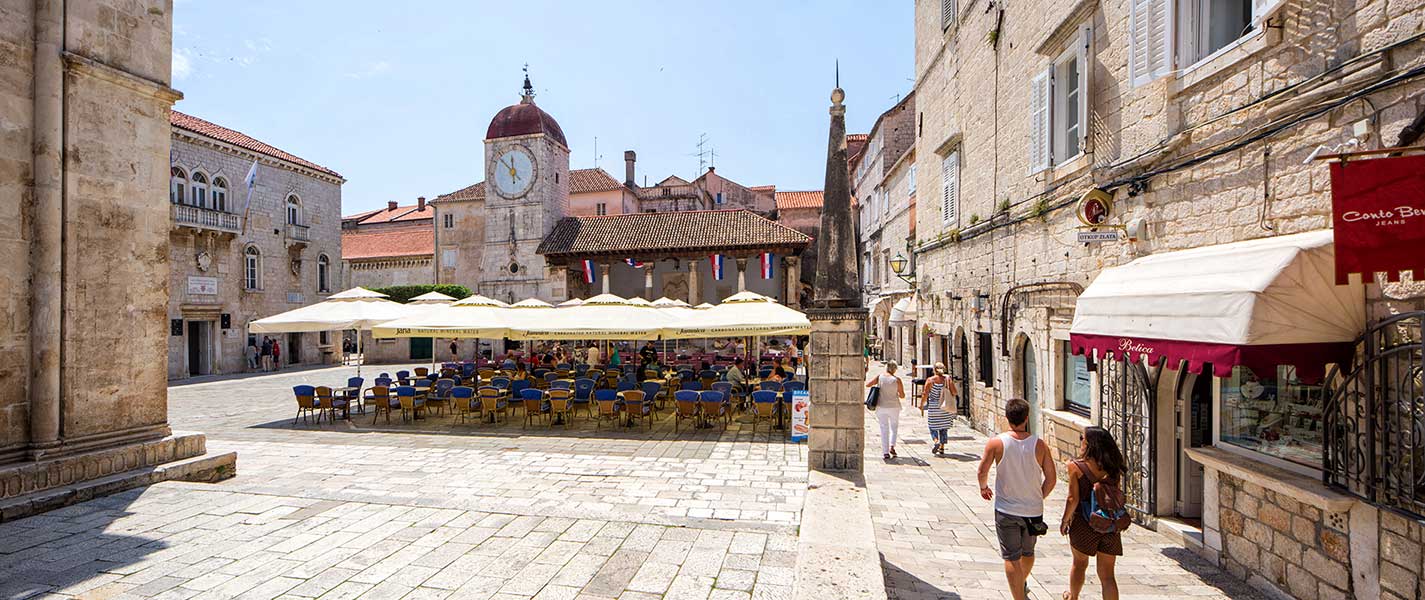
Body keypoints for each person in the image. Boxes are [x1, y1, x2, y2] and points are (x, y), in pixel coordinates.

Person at [976, 398, 1056, 600]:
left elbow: (982, 470)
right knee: (1027, 553)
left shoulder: (996, 443)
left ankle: (1018, 595)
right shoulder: (1040, 445)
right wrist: (1039, 496)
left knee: (1011, 557)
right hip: (1033, 510)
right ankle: (1021, 584)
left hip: (1006, 509)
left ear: (1007, 417)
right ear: (1027, 418)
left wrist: (983, 487)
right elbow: (1052, 478)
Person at [1060, 426, 1125, 600]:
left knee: (1079, 564)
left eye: (1083, 439)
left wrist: (1065, 521)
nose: (1081, 441)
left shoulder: (1075, 467)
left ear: (1090, 444)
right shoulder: (1113, 468)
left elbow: (1073, 498)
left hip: (1084, 523)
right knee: (1108, 576)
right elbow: (1112, 496)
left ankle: (1073, 597)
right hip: (1109, 524)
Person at [865, 361, 905, 460]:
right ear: (895, 369)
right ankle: (892, 446)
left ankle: (885, 452)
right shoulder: (897, 380)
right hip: (894, 406)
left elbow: (868, 384)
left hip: (881, 406)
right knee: (894, 427)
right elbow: (902, 395)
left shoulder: (880, 377)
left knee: (884, 429)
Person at [920, 362, 957, 455]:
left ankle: (936, 441)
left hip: (934, 407)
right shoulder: (947, 379)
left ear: (934, 370)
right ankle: (942, 447)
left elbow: (925, 393)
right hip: (945, 406)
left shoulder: (930, 380)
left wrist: (921, 404)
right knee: (943, 428)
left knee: (932, 426)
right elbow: (955, 392)